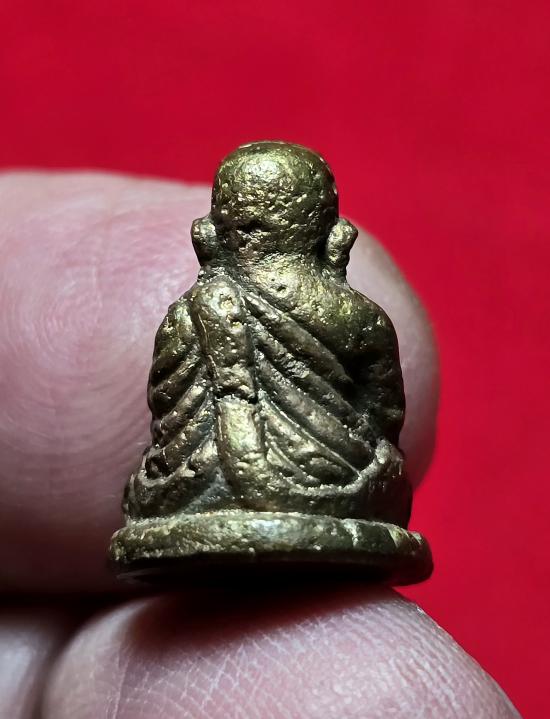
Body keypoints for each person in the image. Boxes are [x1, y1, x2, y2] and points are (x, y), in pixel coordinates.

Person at [0, 171, 519, 717]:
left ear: (211, 233)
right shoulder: (358, 317)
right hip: (335, 480)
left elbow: (166, 403)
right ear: (333, 233)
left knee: (148, 483)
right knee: (383, 468)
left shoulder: (190, 313)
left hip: (199, 480)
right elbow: (383, 414)